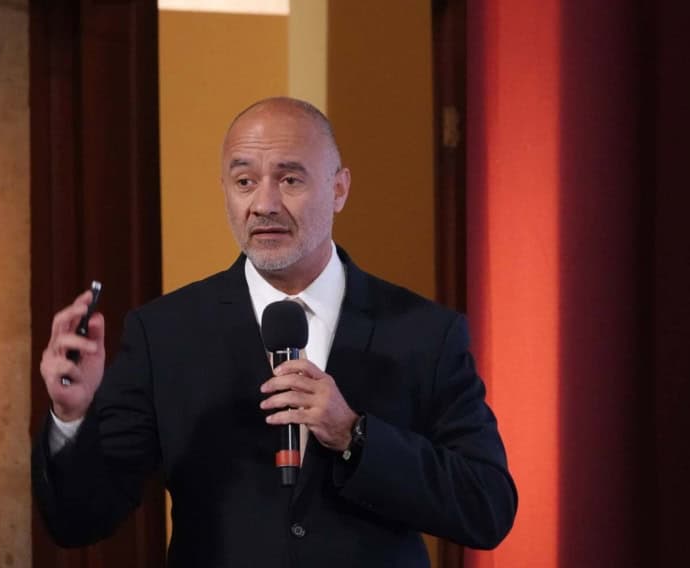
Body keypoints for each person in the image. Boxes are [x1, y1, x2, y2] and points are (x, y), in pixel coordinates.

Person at [32, 97, 517, 567]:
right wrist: (71, 416)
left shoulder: (423, 333)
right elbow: (79, 521)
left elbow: (486, 507)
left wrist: (354, 433)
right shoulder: (165, 334)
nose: (264, 204)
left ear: (339, 189)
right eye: (244, 181)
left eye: (289, 179)